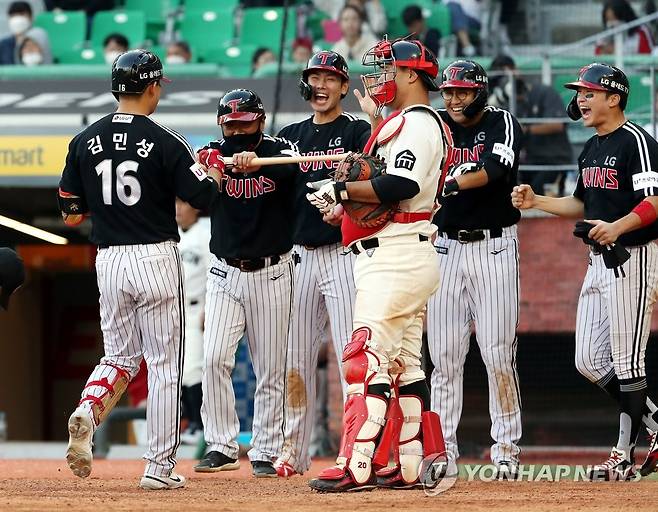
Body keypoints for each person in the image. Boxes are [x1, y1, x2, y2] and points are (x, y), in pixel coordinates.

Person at [59, 49, 221, 491]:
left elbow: (70, 214)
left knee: (119, 356)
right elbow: (205, 199)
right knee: (166, 365)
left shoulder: (83, 139)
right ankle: (158, 467)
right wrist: (213, 172)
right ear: (151, 87)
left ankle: (89, 409)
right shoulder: (166, 139)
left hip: (108, 259)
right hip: (154, 255)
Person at [305, 37, 449, 492]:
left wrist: (342, 192)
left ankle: (356, 463)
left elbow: (399, 184)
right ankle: (408, 464)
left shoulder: (417, 122)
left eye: (388, 69)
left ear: (411, 74)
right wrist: (345, 207)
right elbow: (383, 194)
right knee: (405, 365)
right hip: (403, 250)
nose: (380, 77)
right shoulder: (406, 122)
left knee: (363, 358)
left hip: (396, 256)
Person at [511, 63, 658, 481]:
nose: (581, 98)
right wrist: (537, 200)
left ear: (615, 97)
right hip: (597, 260)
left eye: (590, 92)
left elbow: (654, 202)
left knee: (629, 363)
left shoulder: (636, 141)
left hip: (633, 255)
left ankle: (622, 457)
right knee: (589, 361)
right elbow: (581, 203)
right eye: (580, 92)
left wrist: (618, 226)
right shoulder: (592, 146)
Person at [272, 50, 371, 478]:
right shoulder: (289, 136)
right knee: (296, 358)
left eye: (330, 78)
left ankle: (353, 447)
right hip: (300, 257)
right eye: (314, 78)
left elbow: (374, 176)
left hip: (343, 254)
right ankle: (295, 449)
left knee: (353, 357)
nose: (321, 85)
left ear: (344, 87)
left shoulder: (359, 128)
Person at [193, 89, 299, 478]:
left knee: (270, 368)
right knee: (214, 357)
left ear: (261, 121)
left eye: (246, 123)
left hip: (272, 271)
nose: (238, 131)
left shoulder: (278, 149)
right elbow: (197, 171)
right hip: (224, 272)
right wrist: (214, 164)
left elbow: (294, 164)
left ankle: (266, 450)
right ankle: (221, 444)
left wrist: (259, 165)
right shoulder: (211, 153)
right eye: (231, 124)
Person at [428, 59, 523, 479]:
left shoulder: (502, 121)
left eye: (462, 91)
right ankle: (443, 450)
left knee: (498, 353)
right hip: (445, 247)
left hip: (494, 246)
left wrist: (447, 180)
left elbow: (496, 169)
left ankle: (505, 449)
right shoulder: (435, 125)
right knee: (445, 356)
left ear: (480, 91)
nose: (453, 99)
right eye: (448, 91)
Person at [489, 54, 573, 196]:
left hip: (553, 160)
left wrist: (525, 129)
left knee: (535, 193)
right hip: (528, 161)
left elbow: (558, 124)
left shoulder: (543, 92)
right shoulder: (507, 102)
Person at [176, 199, 211, 445]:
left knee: (194, 368)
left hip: (198, 308)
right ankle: (189, 422)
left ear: (196, 206)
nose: (177, 209)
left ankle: (199, 425)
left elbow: (215, 270)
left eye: (183, 203)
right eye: (175, 203)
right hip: (175, 310)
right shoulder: (169, 232)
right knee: (179, 371)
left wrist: (210, 306)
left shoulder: (207, 230)